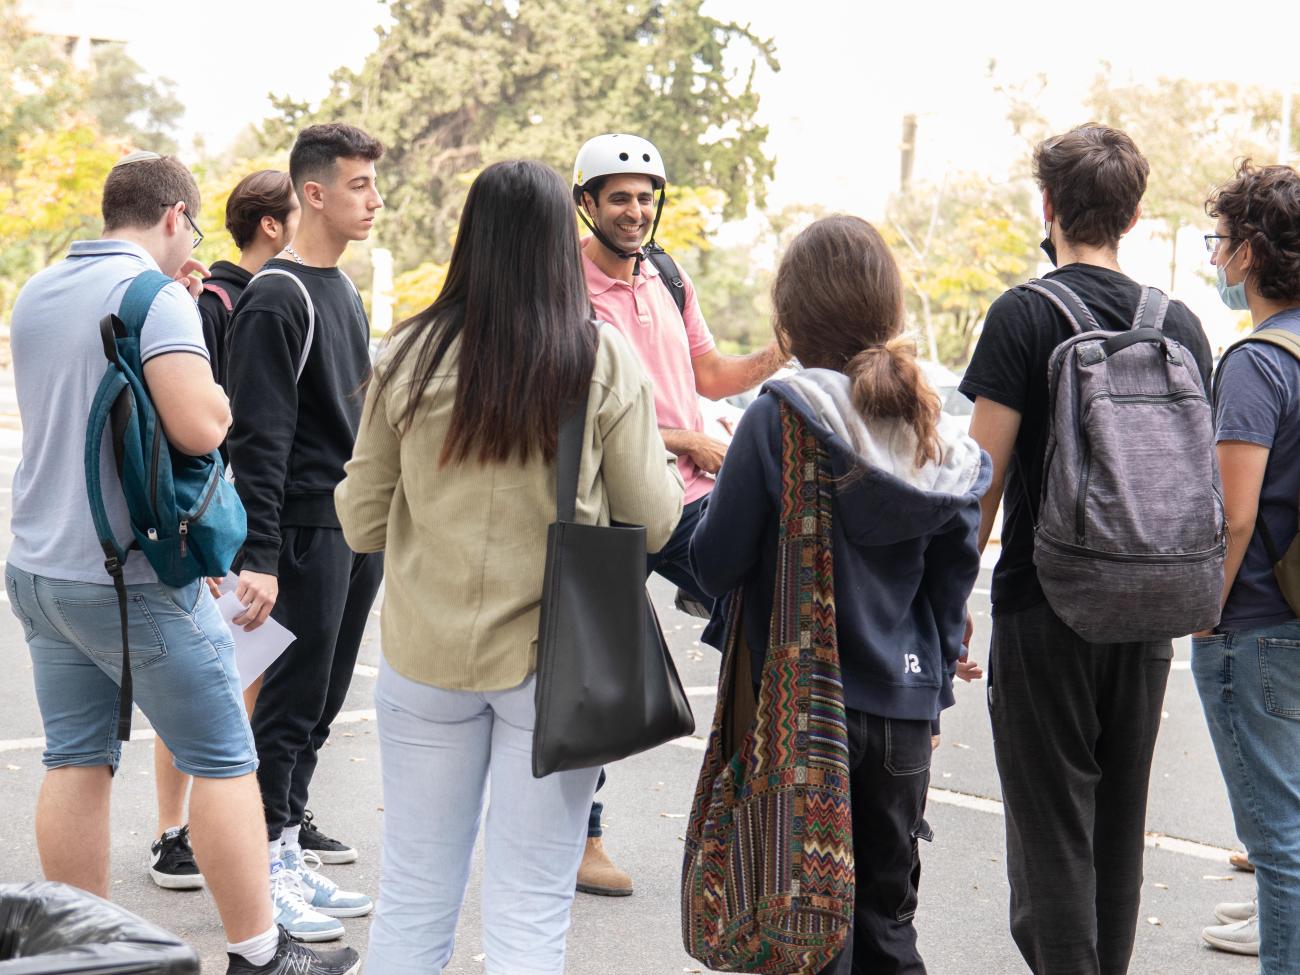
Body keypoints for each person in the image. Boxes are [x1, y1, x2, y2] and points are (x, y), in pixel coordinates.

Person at [5, 150, 358, 975]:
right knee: (226, 758)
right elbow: (203, 426)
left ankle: (83, 948)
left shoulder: (37, 290)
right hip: (131, 575)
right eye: (190, 228)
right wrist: (197, 324)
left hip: (41, 566)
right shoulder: (155, 297)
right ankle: (261, 953)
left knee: (76, 755)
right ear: (173, 218)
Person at [335, 159, 682, 975]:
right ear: (562, 235)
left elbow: (357, 521)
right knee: (530, 908)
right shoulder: (597, 356)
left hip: (423, 659)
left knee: (416, 894)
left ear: (471, 238)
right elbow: (658, 519)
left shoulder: (409, 353)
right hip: (551, 666)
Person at [690, 215, 989, 974]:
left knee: (804, 929)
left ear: (791, 320)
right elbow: (952, 587)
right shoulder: (938, 436)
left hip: (799, 711)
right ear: (886, 311)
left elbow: (713, 562)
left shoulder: (779, 419)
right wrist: (932, 690)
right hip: (905, 709)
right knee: (887, 923)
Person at [958, 124, 1213, 974]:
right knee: (1117, 829)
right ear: (1135, 215)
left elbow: (981, 480)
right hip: (1150, 610)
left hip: (1046, 602)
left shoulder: (1024, 314)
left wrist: (950, 595)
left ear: (1049, 208)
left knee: (1051, 828)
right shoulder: (1178, 323)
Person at [571, 132, 787, 894]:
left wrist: (776, 352)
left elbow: (708, 374)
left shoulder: (666, 273)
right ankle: (581, 839)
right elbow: (574, 411)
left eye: (646, 196)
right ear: (586, 203)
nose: (636, 210)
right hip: (605, 500)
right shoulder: (564, 287)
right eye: (620, 197)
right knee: (592, 668)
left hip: (686, 495)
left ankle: (763, 803)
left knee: (764, 606)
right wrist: (688, 435)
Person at [224, 124, 385, 941]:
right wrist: (260, 557)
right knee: (284, 710)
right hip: (299, 536)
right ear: (313, 193)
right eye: (359, 184)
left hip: (354, 530)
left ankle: (285, 843)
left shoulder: (343, 293)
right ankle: (259, 866)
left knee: (317, 707)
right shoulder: (277, 296)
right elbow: (259, 437)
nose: (374, 199)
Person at [149, 168, 299, 892]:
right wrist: (201, 531)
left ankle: (254, 824)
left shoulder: (267, 295)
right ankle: (172, 831)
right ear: (272, 223)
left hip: (245, 511)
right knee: (206, 681)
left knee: (245, 679)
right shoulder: (214, 301)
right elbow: (194, 426)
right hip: (215, 516)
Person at [1194, 161, 1300, 966]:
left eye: (1222, 242)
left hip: (1256, 626)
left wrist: (1204, 610)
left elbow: (1234, 516)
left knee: (1280, 844)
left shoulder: (1255, 363)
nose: (1217, 257)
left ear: (1252, 253)